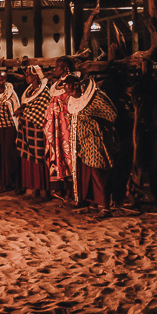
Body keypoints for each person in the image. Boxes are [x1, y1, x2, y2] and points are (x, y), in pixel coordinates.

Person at [63, 75, 119, 218]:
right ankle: (92, 202)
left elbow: (112, 115)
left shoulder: (96, 97)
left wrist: (92, 121)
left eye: (68, 87)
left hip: (95, 141)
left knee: (98, 172)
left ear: (76, 85)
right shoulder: (73, 99)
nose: (67, 91)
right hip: (80, 141)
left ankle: (106, 207)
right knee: (85, 171)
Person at [15, 65, 52, 199]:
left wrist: (23, 111)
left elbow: (42, 112)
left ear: (35, 76)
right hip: (27, 130)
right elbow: (27, 106)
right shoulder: (29, 92)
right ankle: (35, 188)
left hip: (38, 131)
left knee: (40, 159)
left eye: (28, 75)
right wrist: (21, 109)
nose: (26, 77)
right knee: (30, 160)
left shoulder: (45, 92)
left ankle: (46, 191)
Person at [45, 56, 77, 200]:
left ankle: (73, 190)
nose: (55, 69)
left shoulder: (73, 83)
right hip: (55, 128)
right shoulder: (56, 85)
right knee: (58, 156)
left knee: (69, 155)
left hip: (66, 127)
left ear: (66, 68)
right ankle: (62, 189)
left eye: (58, 66)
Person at [0, 71, 20, 192]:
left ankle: (12, 183)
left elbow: (17, 111)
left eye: (1, 80)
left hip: (8, 130)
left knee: (9, 157)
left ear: (5, 81)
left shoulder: (11, 95)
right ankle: (1, 183)